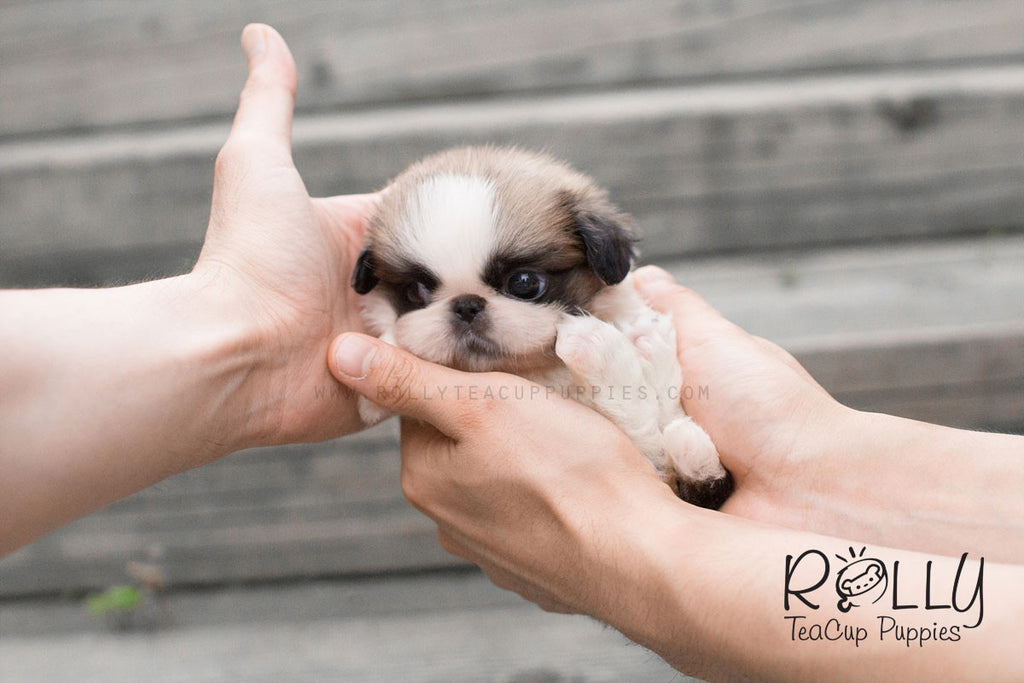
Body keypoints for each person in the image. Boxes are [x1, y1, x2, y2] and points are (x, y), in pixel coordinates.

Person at [1, 24, 1020, 682]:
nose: (469, 314)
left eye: (522, 282)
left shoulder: (627, 318)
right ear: (377, 287)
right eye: (418, 291)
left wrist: (654, 554)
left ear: (598, 257)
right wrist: (811, 468)